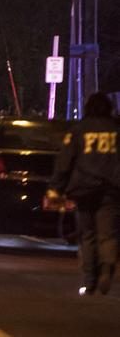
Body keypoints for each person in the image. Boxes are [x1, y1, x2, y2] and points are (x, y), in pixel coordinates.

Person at [48, 92, 120, 296]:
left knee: (87, 235)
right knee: (108, 233)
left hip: (84, 189)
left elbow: (65, 162)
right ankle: (107, 267)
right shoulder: (116, 130)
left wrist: (56, 187)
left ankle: (89, 281)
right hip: (112, 190)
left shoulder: (78, 131)